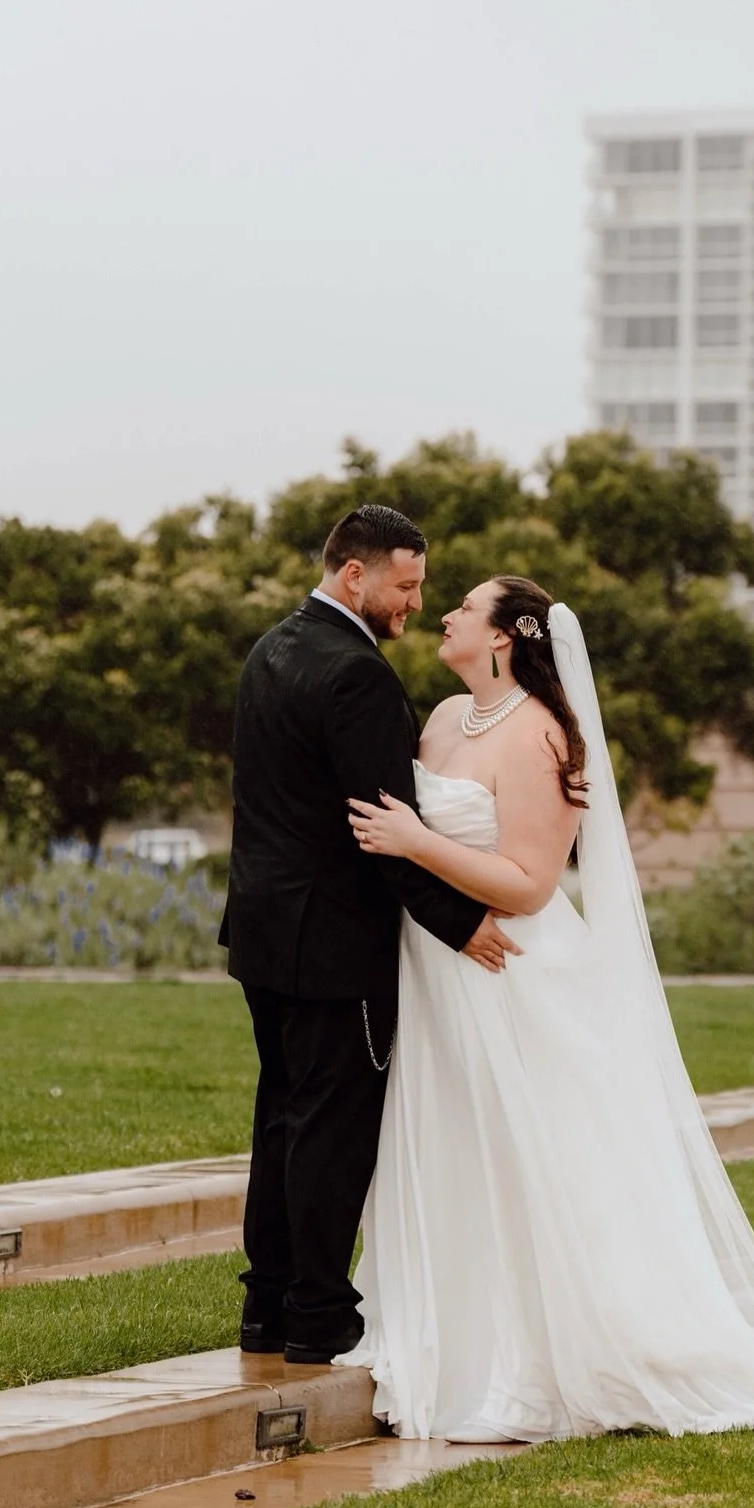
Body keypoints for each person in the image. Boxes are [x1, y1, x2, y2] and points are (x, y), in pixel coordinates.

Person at [341, 575, 754, 1440]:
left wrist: (416, 841)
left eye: (465, 607)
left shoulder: (543, 734)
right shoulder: (439, 718)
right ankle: (446, 1326)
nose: (445, 614)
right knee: (454, 1144)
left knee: (532, 1156)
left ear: (507, 634)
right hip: (440, 974)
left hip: (514, 973)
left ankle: (538, 1353)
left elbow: (529, 882)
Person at [218, 506, 520, 1365]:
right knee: (331, 1128)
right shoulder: (356, 674)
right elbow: (382, 826)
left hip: (265, 935)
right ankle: (317, 1315)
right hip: (333, 943)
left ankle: (267, 1308)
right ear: (356, 575)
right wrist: (461, 923)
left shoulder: (271, 649)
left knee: (282, 1118)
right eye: (407, 584)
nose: (416, 603)